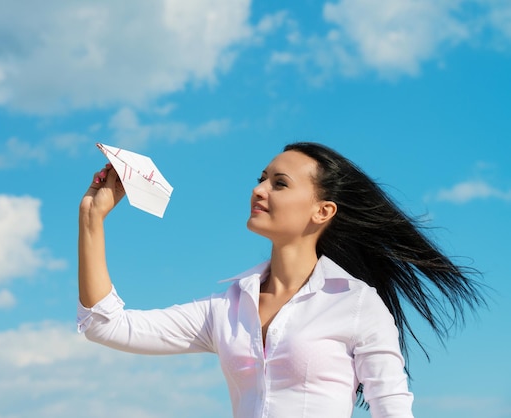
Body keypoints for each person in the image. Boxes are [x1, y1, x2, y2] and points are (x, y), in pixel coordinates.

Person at [77, 142, 485, 418]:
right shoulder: (228, 307)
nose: (259, 190)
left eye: (280, 183)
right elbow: (105, 324)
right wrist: (91, 218)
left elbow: (392, 411)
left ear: (322, 211)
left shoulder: (357, 304)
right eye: (262, 178)